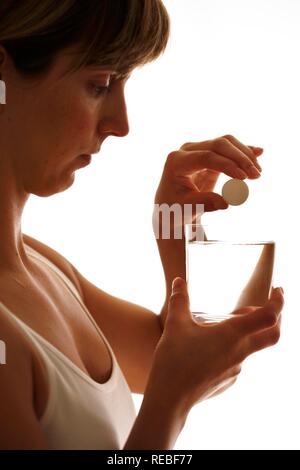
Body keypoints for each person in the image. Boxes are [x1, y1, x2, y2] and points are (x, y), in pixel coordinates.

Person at [0, 0, 284, 450]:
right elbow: (173, 383)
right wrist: (169, 406)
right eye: (100, 85)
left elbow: (188, 361)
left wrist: (179, 229)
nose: (122, 124)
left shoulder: (44, 268)